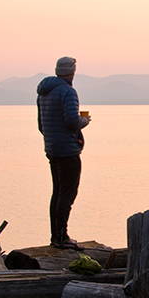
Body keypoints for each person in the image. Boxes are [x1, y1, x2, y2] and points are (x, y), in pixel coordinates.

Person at [36, 56, 91, 249]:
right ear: (72, 72)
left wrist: (53, 138)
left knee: (57, 192)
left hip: (52, 148)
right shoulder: (68, 92)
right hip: (68, 150)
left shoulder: (43, 93)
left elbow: (41, 125)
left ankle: (56, 236)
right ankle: (61, 237)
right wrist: (84, 121)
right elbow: (71, 121)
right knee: (68, 193)